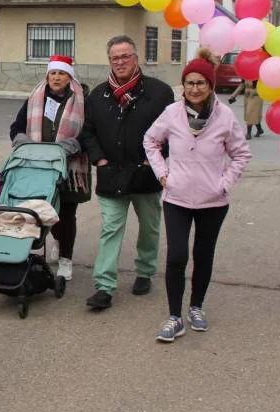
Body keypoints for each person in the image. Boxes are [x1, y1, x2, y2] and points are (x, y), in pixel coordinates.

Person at [143, 48, 251, 342]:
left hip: (213, 201)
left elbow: (241, 154)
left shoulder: (225, 116)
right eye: (189, 83)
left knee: (203, 255)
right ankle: (174, 316)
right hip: (176, 198)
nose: (194, 88)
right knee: (177, 256)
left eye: (200, 83)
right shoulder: (172, 113)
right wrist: (163, 174)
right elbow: (150, 141)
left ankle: (196, 307)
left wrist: (224, 183)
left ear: (211, 85)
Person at [79, 36, 175, 310]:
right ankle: (104, 286)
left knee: (149, 227)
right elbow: (88, 132)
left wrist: (153, 162)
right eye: (115, 58)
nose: (120, 62)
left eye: (125, 56)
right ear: (109, 61)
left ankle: (144, 271)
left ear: (136, 58)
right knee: (110, 229)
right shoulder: (97, 96)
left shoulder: (159, 93)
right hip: (111, 174)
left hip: (146, 175)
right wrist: (99, 161)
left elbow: (172, 132)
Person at [9, 55, 91, 281]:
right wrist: (21, 139)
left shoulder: (82, 100)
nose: (56, 77)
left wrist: (75, 144)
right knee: (43, 210)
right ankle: (56, 238)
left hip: (69, 167)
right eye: (53, 73)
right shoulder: (36, 98)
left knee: (66, 213)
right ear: (47, 75)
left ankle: (66, 259)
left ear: (69, 77)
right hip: (38, 166)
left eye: (62, 73)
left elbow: (89, 131)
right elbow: (16, 126)